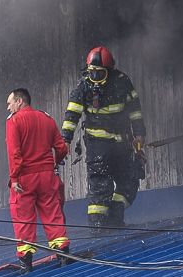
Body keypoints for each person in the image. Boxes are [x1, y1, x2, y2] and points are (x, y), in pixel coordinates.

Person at [59, 46, 146, 230]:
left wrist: (139, 134)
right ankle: (97, 229)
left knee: (129, 181)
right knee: (100, 190)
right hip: (98, 148)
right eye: (92, 72)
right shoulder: (83, 86)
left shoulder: (122, 82)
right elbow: (72, 114)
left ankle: (115, 217)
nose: (95, 77)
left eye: (100, 73)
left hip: (122, 145)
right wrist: (65, 140)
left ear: (110, 70)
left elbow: (135, 110)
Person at [6, 88, 71, 273]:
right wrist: (54, 163)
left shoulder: (14, 121)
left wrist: (14, 177)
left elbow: (14, 152)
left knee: (23, 218)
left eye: (10, 103)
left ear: (19, 101)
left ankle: (26, 264)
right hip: (47, 177)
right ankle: (63, 255)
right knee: (53, 214)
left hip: (24, 179)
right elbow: (62, 148)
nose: (8, 108)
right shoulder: (46, 118)